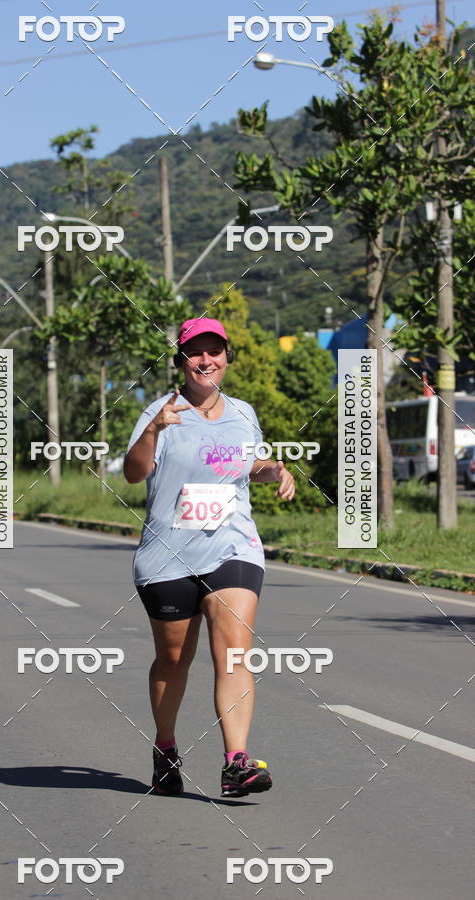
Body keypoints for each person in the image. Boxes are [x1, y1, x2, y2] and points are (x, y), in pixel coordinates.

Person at [124, 318, 295, 797]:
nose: (206, 361)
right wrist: (153, 431)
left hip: (232, 546)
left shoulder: (244, 413)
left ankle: (236, 762)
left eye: (214, 351)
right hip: (168, 556)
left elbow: (245, 467)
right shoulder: (161, 411)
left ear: (226, 357)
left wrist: (275, 469)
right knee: (173, 660)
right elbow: (135, 473)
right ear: (181, 360)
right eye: (195, 353)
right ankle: (165, 747)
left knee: (235, 651)